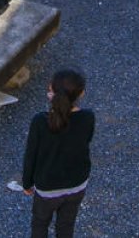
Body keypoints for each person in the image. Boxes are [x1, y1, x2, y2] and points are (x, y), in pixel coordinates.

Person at [22, 69, 94, 238]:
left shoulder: (40, 121)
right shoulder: (88, 117)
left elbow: (31, 155)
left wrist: (27, 183)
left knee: (40, 223)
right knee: (66, 224)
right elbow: (86, 141)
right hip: (77, 184)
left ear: (51, 92)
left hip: (47, 187)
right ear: (81, 93)